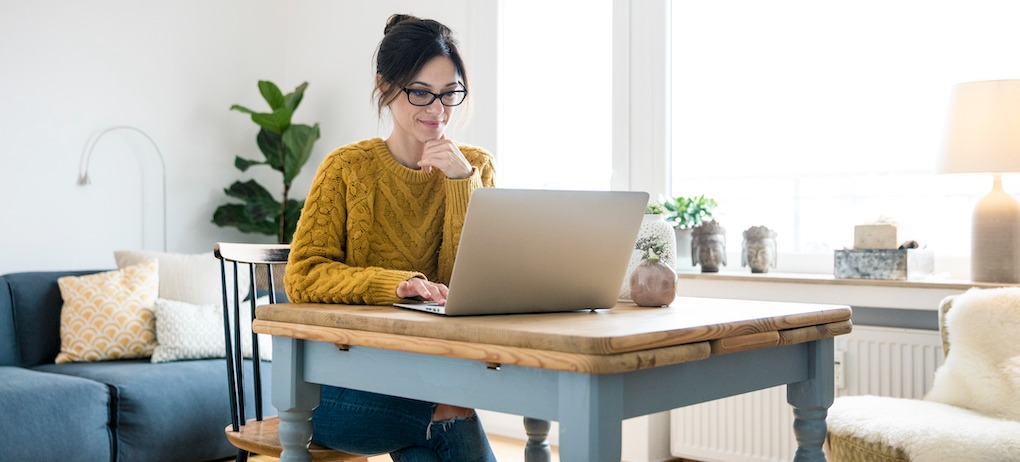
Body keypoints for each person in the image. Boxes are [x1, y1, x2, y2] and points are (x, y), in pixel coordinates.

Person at [284, 14, 497, 462]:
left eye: (449, 93)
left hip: (429, 373)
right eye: (420, 92)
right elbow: (302, 276)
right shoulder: (346, 169)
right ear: (385, 87)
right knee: (451, 411)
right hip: (337, 389)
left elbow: (472, 285)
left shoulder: (474, 167)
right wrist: (392, 285)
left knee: (431, 438)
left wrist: (460, 183)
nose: (437, 110)